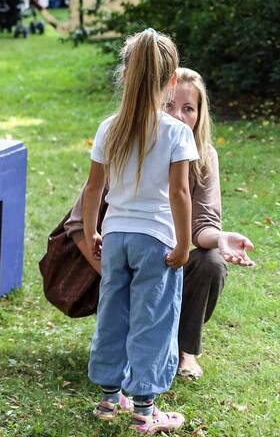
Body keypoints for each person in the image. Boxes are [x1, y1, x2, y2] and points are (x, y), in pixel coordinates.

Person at [64, 67, 254, 381]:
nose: (179, 116)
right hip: (117, 254)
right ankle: (128, 378)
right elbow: (78, 218)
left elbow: (201, 224)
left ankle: (184, 352)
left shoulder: (204, 156)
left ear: (200, 114)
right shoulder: (128, 141)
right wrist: (115, 274)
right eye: (170, 105)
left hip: (163, 255)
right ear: (154, 101)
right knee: (133, 276)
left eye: (188, 109)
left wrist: (219, 238)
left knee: (210, 263)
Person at [80, 29, 195, 434]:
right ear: (170, 83)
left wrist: (93, 231)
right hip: (156, 240)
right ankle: (145, 410)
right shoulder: (177, 132)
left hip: (115, 238)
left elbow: (95, 188)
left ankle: (110, 399)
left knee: (113, 313)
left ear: (125, 75)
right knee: (153, 319)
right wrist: (184, 244)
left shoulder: (108, 127)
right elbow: (180, 193)